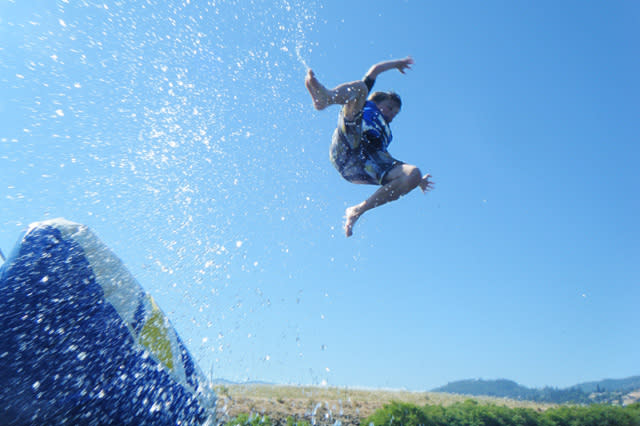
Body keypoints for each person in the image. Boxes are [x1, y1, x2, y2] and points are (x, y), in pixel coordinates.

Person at [305, 56, 434, 237]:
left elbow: (386, 162)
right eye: (389, 108)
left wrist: (418, 181)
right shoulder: (367, 105)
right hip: (349, 144)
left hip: (365, 165)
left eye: (395, 114)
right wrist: (396, 64)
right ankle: (326, 98)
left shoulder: (386, 132)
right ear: (376, 102)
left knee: (413, 173)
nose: (391, 115)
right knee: (360, 88)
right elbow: (374, 70)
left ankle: (358, 210)